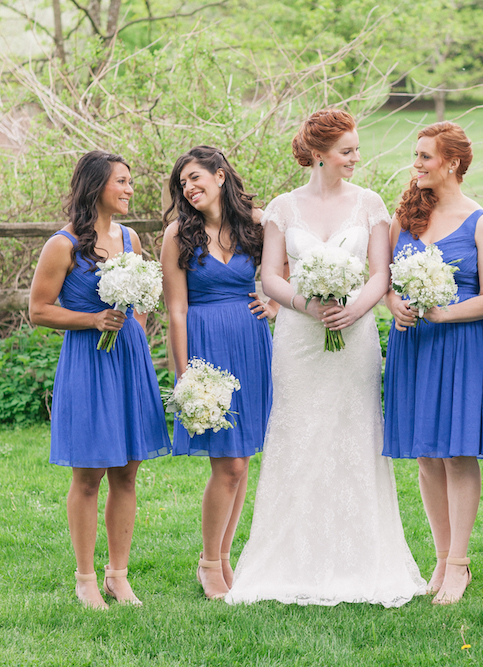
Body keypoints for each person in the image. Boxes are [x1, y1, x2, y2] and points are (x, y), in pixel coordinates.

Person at [225, 109, 424, 607]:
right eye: (348, 151)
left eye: (356, 149)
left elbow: (380, 274)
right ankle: (289, 559)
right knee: (299, 431)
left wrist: (354, 309)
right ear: (319, 154)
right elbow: (271, 276)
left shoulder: (371, 204)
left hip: (354, 335)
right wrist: (305, 304)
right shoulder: (283, 207)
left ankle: (361, 559)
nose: (357, 158)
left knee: (354, 433)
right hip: (298, 337)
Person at [29, 150, 171, 610]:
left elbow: (146, 294)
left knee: (127, 472)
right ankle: (85, 577)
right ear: (96, 186)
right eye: (122, 182)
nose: (130, 189)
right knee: (89, 474)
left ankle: (118, 575)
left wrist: (137, 323)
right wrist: (93, 321)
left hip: (129, 359)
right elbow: (38, 310)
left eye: (131, 182)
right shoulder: (63, 244)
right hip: (88, 363)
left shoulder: (131, 239)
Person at [382, 121, 483, 605]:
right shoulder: (406, 219)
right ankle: (439, 557)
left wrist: (444, 311)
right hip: (411, 344)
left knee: (457, 452)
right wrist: (393, 303)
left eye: (424, 157)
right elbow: (388, 280)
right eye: (417, 156)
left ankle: (459, 563)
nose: (416, 164)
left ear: (451, 162)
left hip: (457, 345)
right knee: (426, 453)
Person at [160, 146, 275, 600]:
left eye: (194, 177)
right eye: (182, 183)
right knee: (227, 464)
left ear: (221, 176)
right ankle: (209, 562)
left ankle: (224, 559)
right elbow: (175, 310)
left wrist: (274, 301)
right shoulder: (177, 234)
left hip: (251, 345)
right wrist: (185, 374)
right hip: (207, 351)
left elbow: (288, 272)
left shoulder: (257, 223)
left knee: (241, 460)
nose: (188, 188)